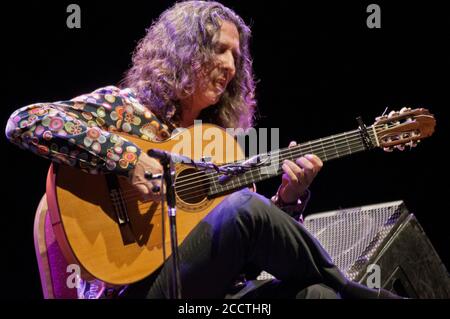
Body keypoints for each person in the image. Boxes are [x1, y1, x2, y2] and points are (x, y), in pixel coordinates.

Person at [5, 1, 400, 299]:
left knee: (316, 296)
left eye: (236, 57)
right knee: (244, 209)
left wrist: (288, 199)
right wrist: (128, 160)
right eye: (218, 49)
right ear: (182, 51)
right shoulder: (124, 109)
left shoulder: (213, 141)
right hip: (134, 290)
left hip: (211, 296)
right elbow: (26, 121)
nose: (229, 66)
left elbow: (238, 242)